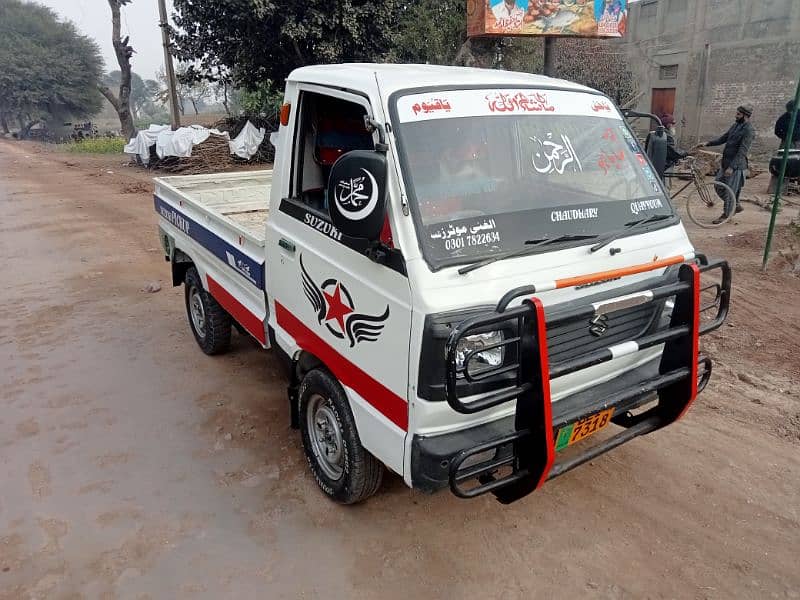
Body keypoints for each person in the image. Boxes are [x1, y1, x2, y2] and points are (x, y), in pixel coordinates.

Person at [697, 104, 755, 224]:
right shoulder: (735, 126)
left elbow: (742, 151)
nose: (736, 115)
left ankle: (726, 215)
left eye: (738, 114)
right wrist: (707, 143)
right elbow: (723, 138)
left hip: (736, 167)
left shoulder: (749, 130)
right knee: (718, 186)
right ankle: (735, 205)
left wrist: (732, 167)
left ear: (745, 116)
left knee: (730, 192)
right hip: (725, 164)